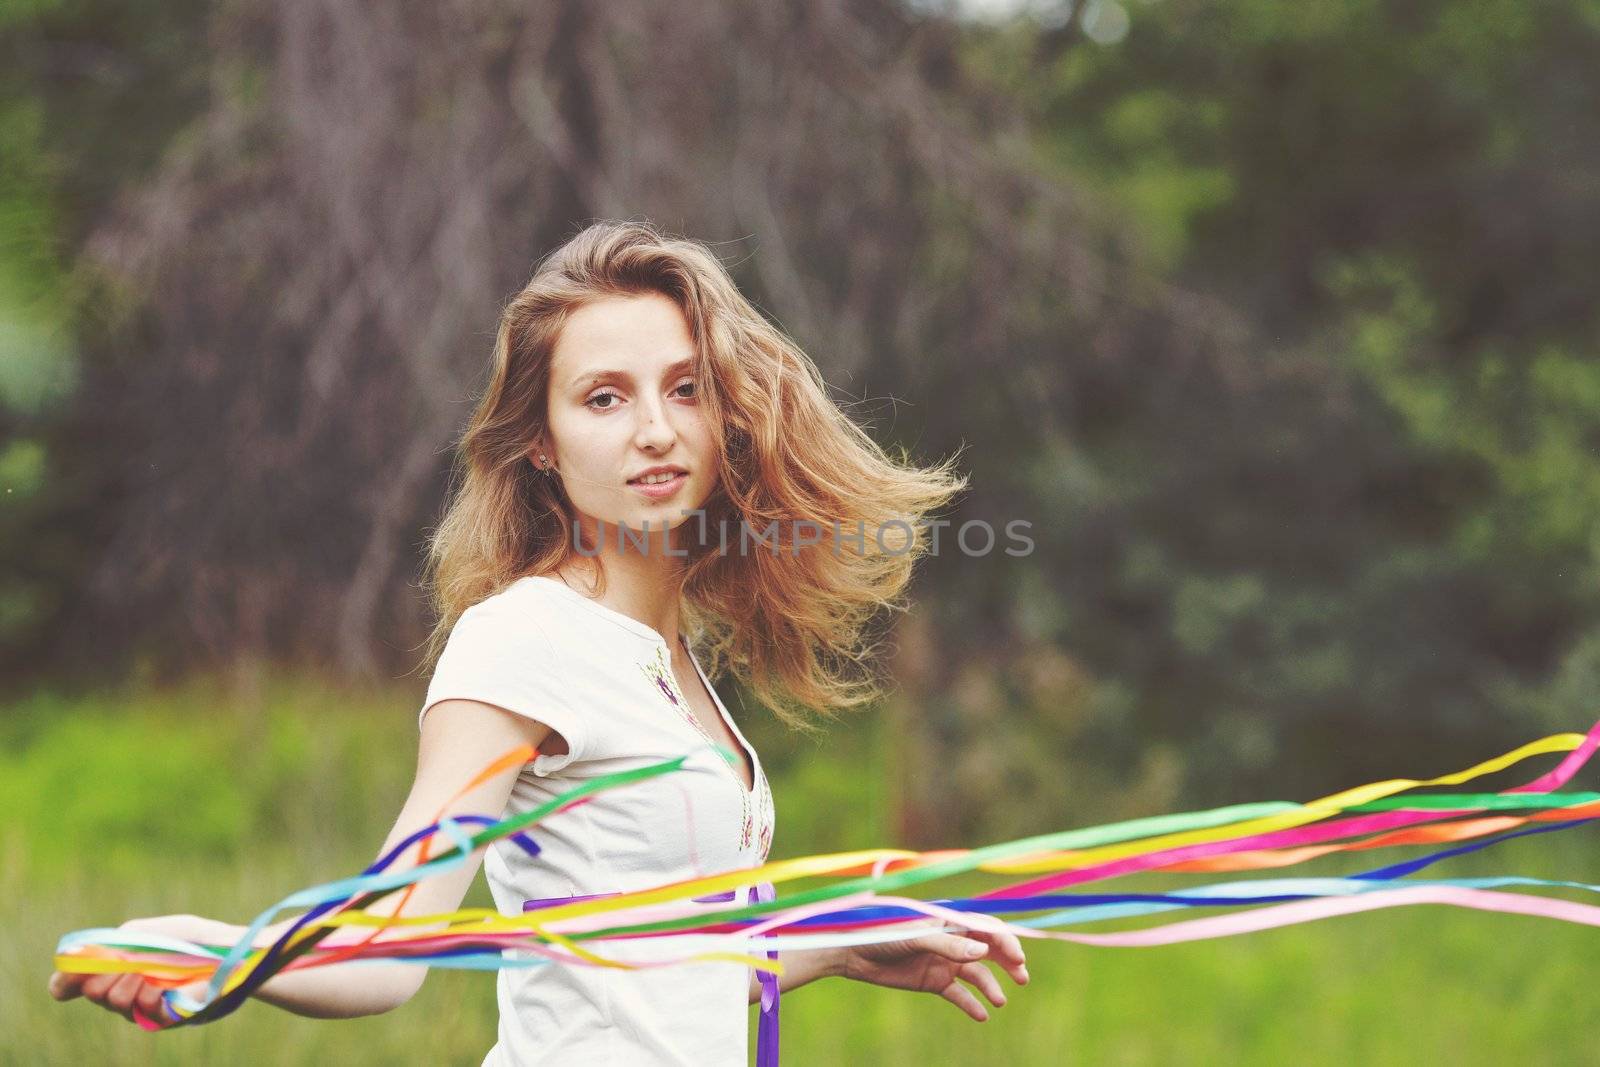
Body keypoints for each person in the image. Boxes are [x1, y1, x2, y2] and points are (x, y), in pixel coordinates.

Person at [49, 220, 1030, 1063]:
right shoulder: (523, 640)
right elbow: (387, 949)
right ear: (543, 443)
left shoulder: (663, 651)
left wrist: (832, 943)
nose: (653, 428)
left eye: (684, 388)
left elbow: (632, 979)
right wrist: (223, 948)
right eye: (604, 397)